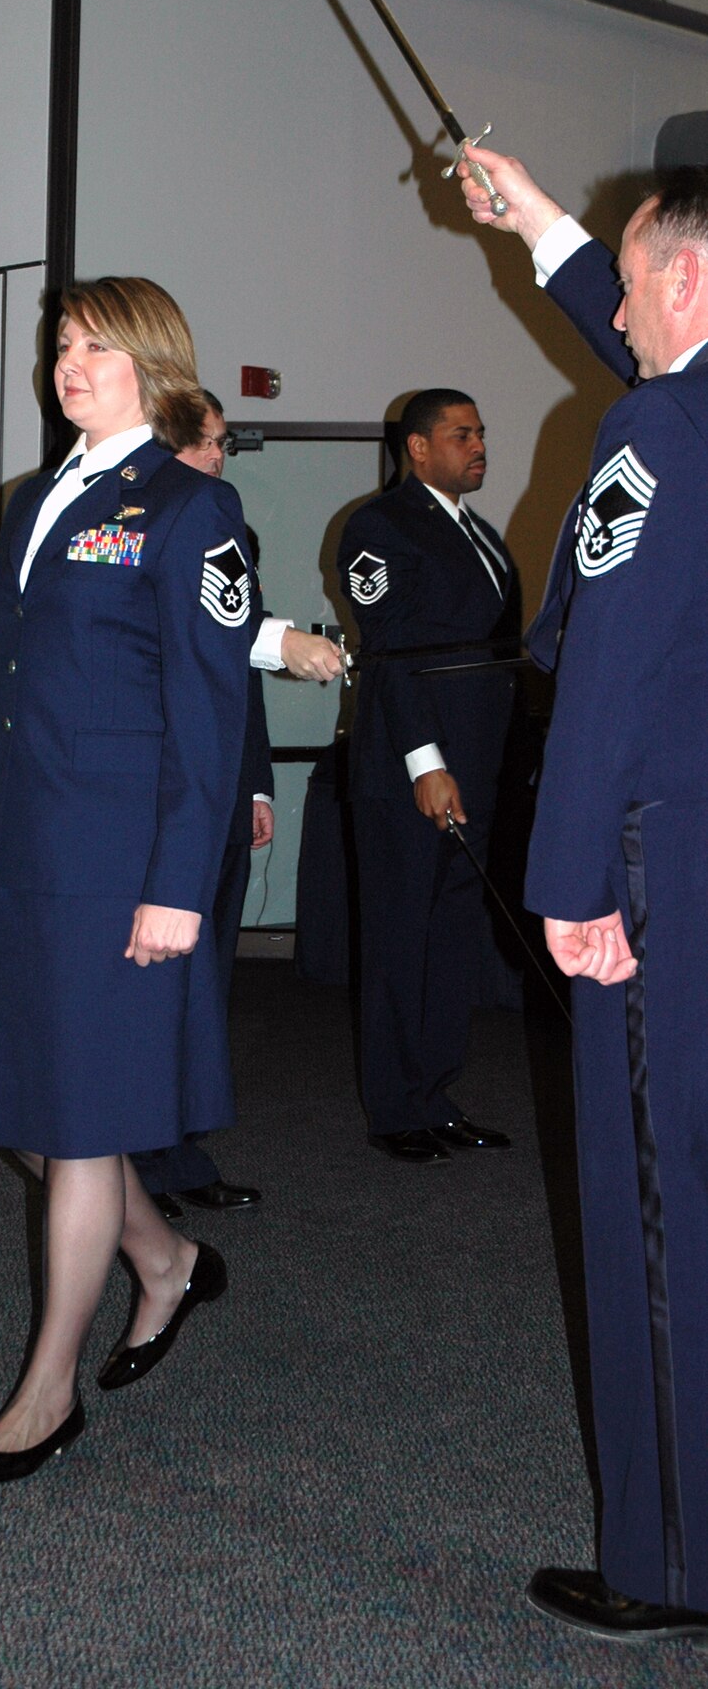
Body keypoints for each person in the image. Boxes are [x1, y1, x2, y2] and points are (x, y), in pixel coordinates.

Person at [0, 278, 251, 1482]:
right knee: (35, 1108)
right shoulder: (28, 499)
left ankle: (46, 1392)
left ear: (153, 362)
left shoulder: (191, 505)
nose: (70, 361)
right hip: (25, 847)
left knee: (72, 1125)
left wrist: (179, 882)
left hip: (119, 861)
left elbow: (209, 714)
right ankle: (163, 1258)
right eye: (61, 342)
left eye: (97, 345)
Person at [459, 142, 708, 1644]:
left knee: (655, 1209)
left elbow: (605, 671)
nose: (611, 312)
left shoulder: (656, 428)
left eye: (626, 281)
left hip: (658, 861)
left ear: (687, 277)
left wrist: (561, 884)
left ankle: (670, 1563)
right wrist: (539, 220)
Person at [134, 392, 342, 1219]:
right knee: (152, 985)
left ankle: (181, 1150)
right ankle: (134, 1163)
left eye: (224, 443)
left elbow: (236, 680)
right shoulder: (132, 526)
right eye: (207, 444)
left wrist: (256, 781)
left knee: (205, 982)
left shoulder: (229, 534)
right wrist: (283, 640)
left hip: (220, 790)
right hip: (155, 794)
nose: (220, 458)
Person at [336, 392, 519, 1164]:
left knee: (450, 941)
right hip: (411, 774)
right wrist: (428, 762)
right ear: (417, 447)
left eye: (480, 433)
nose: (478, 445)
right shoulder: (380, 527)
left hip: (476, 770)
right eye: (461, 433)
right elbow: (391, 652)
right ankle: (393, 1110)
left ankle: (436, 1096)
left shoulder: (480, 533)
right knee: (399, 939)